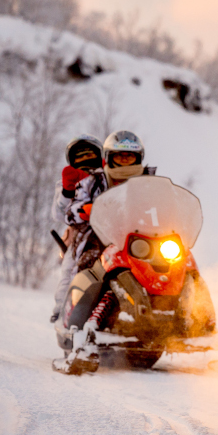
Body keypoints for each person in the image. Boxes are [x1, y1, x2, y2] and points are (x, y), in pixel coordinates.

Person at [59, 131, 154, 322]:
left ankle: (198, 317)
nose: (125, 160)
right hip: (100, 236)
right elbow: (71, 210)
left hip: (142, 239)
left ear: (139, 157)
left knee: (178, 261)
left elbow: (164, 203)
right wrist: (84, 210)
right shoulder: (93, 181)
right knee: (90, 262)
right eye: (120, 155)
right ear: (110, 157)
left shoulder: (149, 182)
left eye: (130, 156)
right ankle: (78, 316)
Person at [50, 134, 103, 322]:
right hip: (80, 232)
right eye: (79, 157)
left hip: (111, 229)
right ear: (72, 161)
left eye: (89, 154)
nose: (84, 160)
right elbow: (57, 213)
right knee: (70, 266)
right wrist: (66, 191)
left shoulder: (107, 176)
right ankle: (62, 309)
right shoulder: (68, 180)